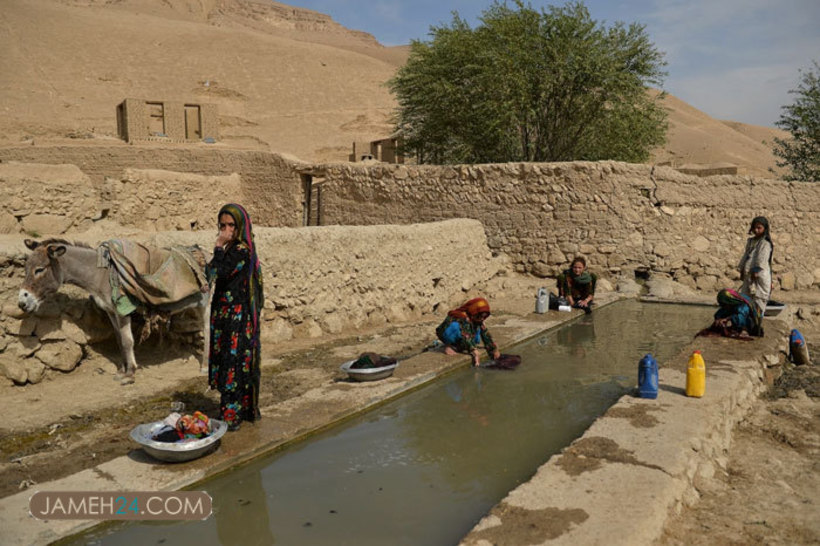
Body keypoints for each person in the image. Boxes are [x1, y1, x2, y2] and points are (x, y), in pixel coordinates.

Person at [206, 204, 264, 431]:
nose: (226, 230)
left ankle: (232, 417)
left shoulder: (241, 251)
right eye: (223, 225)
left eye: (231, 225)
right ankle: (232, 412)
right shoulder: (230, 250)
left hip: (237, 320)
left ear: (240, 226)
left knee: (234, 366)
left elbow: (219, 272)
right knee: (227, 363)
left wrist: (218, 247)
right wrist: (219, 252)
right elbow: (210, 274)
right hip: (224, 317)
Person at [436, 297, 501, 366]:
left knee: (477, 334)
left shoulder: (476, 318)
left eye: (484, 317)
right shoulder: (461, 316)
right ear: (474, 312)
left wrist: (493, 349)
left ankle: (460, 346)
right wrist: (474, 352)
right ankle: (450, 345)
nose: (482, 319)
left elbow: (485, 333)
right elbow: (465, 334)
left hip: (464, 335)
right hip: (449, 334)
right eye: (480, 316)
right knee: (456, 327)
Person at [738, 216, 773, 315]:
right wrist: (742, 269)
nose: (756, 230)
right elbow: (746, 255)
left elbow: (762, 259)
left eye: (759, 228)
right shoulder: (751, 241)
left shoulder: (765, 243)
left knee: (759, 301)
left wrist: (755, 271)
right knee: (745, 299)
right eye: (754, 228)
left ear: (765, 229)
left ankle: (757, 325)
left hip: (759, 276)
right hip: (750, 275)